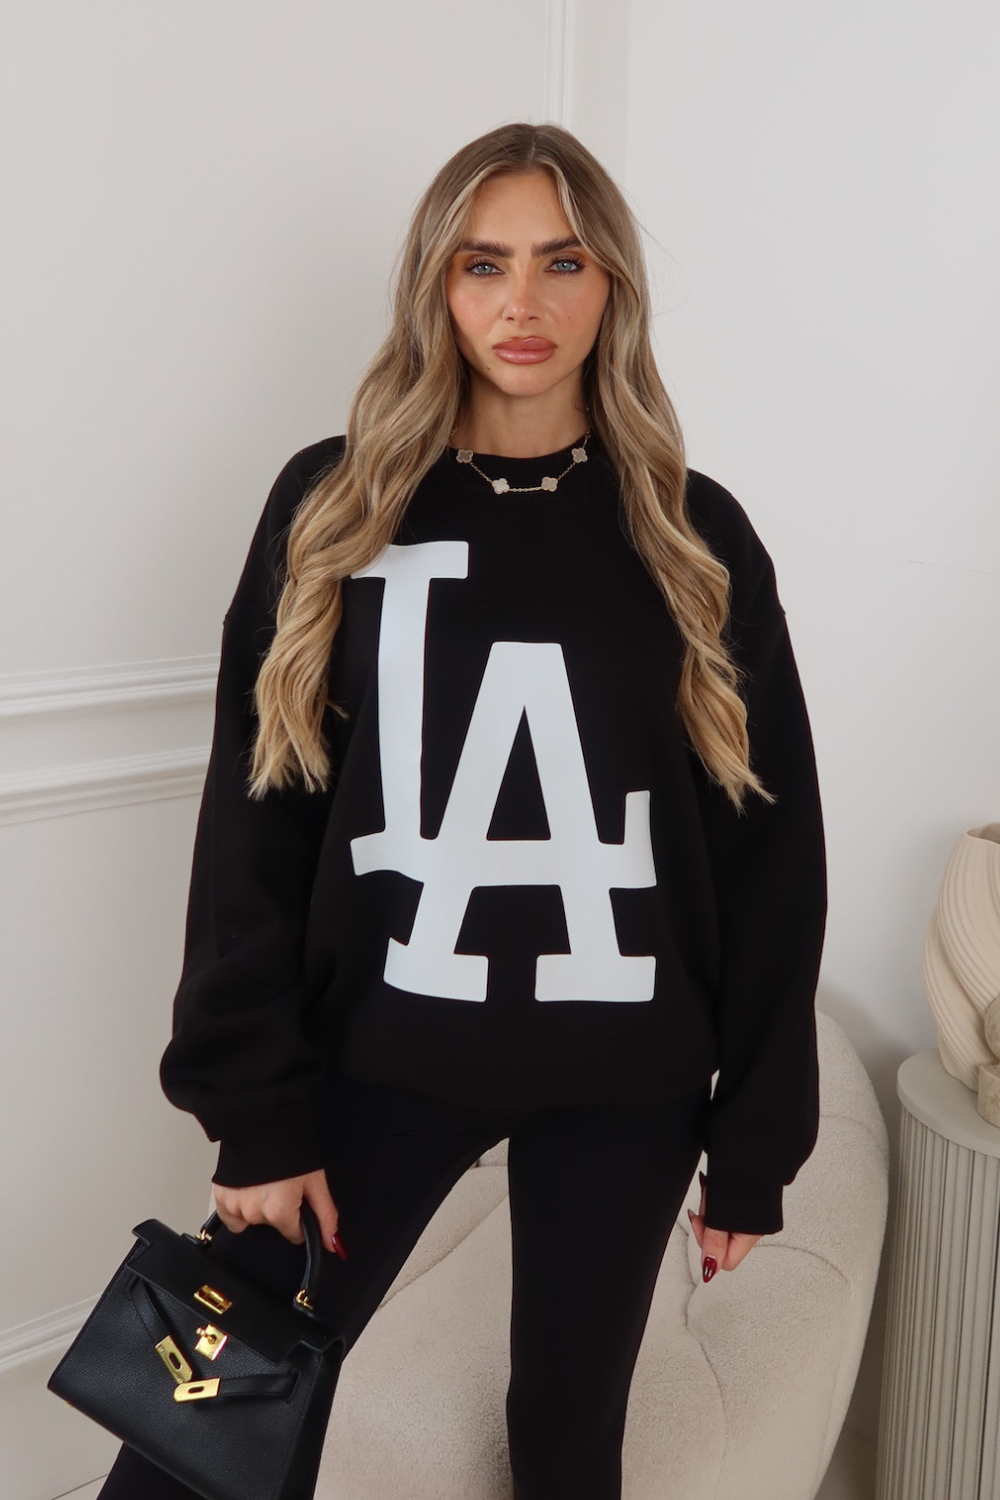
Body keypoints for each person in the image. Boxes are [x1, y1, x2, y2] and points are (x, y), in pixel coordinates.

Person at [97, 121, 826, 1500]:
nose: (523, 302)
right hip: (378, 1048)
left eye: (563, 262)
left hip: (625, 1074)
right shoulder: (334, 504)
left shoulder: (695, 533)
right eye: (484, 264)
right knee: (199, 1419)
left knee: (566, 1436)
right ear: (437, 284)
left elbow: (769, 855)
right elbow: (256, 823)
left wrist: (753, 1144)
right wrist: (256, 1113)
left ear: (612, 286)